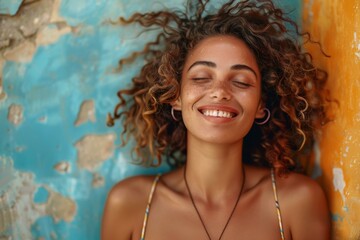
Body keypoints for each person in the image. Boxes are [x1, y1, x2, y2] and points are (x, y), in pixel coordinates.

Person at [101, 0, 331, 239]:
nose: (220, 91)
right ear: (175, 96)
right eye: (201, 77)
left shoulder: (297, 201)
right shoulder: (131, 204)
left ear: (261, 105)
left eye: (241, 81)